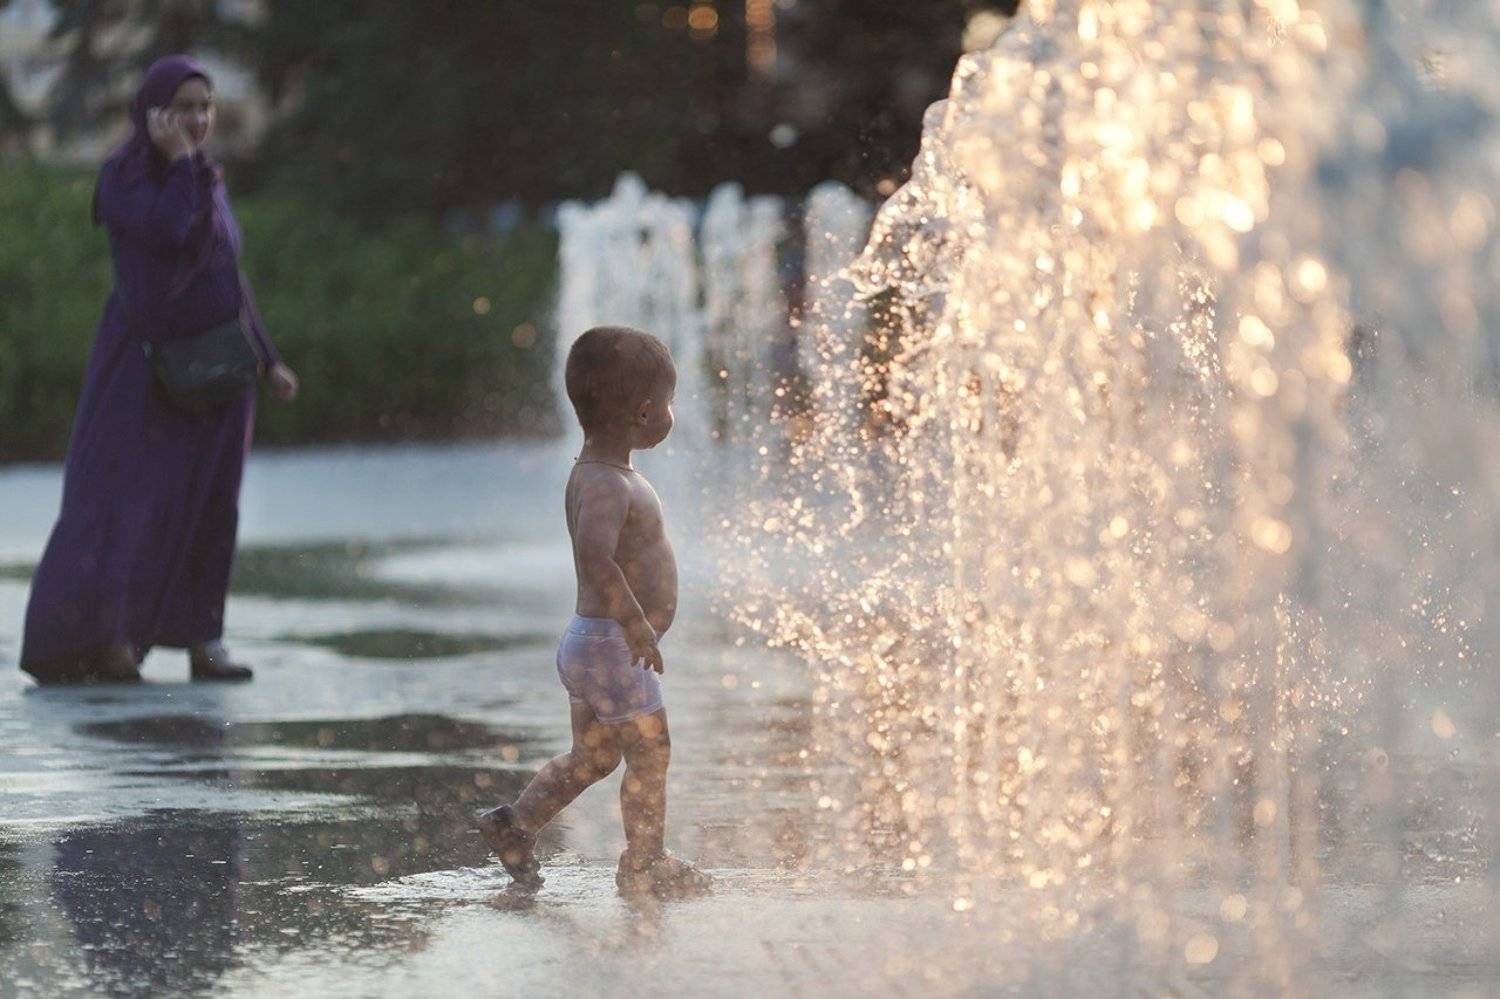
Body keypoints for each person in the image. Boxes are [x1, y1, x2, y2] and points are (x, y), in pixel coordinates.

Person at [18, 55, 299, 686]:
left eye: (205, 107)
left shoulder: (206, 176)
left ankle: (204, 640)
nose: (197, 120)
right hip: (143, 371)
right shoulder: (123, 179)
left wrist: (268, 356)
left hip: (218, 370)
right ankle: (111, 641)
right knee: (131, 503)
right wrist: (179, 165)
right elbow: (172, 233)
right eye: (183, 108)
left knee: (212, 506)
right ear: (151, 114)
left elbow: (228, 271)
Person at [479, 326, 711, 896]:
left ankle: (517, 825)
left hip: (590, 643)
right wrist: (637, 626)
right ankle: (645, 860)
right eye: (670, 402)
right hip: (611, 645)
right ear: (643, 411)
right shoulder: (608, 484)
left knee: (594, 755)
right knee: (651, 752)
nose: (672, 412)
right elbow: (596, 559)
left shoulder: (596, 474)